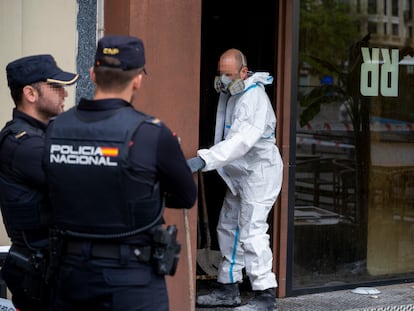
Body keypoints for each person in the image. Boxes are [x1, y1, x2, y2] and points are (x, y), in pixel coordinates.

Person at [43, 35, 197, 311]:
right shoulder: (152, 133)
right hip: (131, 279)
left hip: (69, 274)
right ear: (137, 79)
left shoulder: (55, 129)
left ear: (92, 73)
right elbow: (186, 196)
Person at [188, 49, 283, 311]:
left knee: (252, 230)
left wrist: (203, 159)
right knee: (229, 227)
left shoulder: (254, 98)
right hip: (239, 173)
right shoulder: (233, 93)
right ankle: (228, 287)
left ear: (243, 72)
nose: (223, 79)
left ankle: (265, 294)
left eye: (229, 74)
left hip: (259, 173)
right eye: (221, 74)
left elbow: (240, 141)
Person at [0, 54, 79, 311]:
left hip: (53, 267)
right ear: (30, 94)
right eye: (56, 87)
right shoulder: (22, 144)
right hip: (40, 271)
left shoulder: (44, 135)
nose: (64, 94)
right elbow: (83, 183)